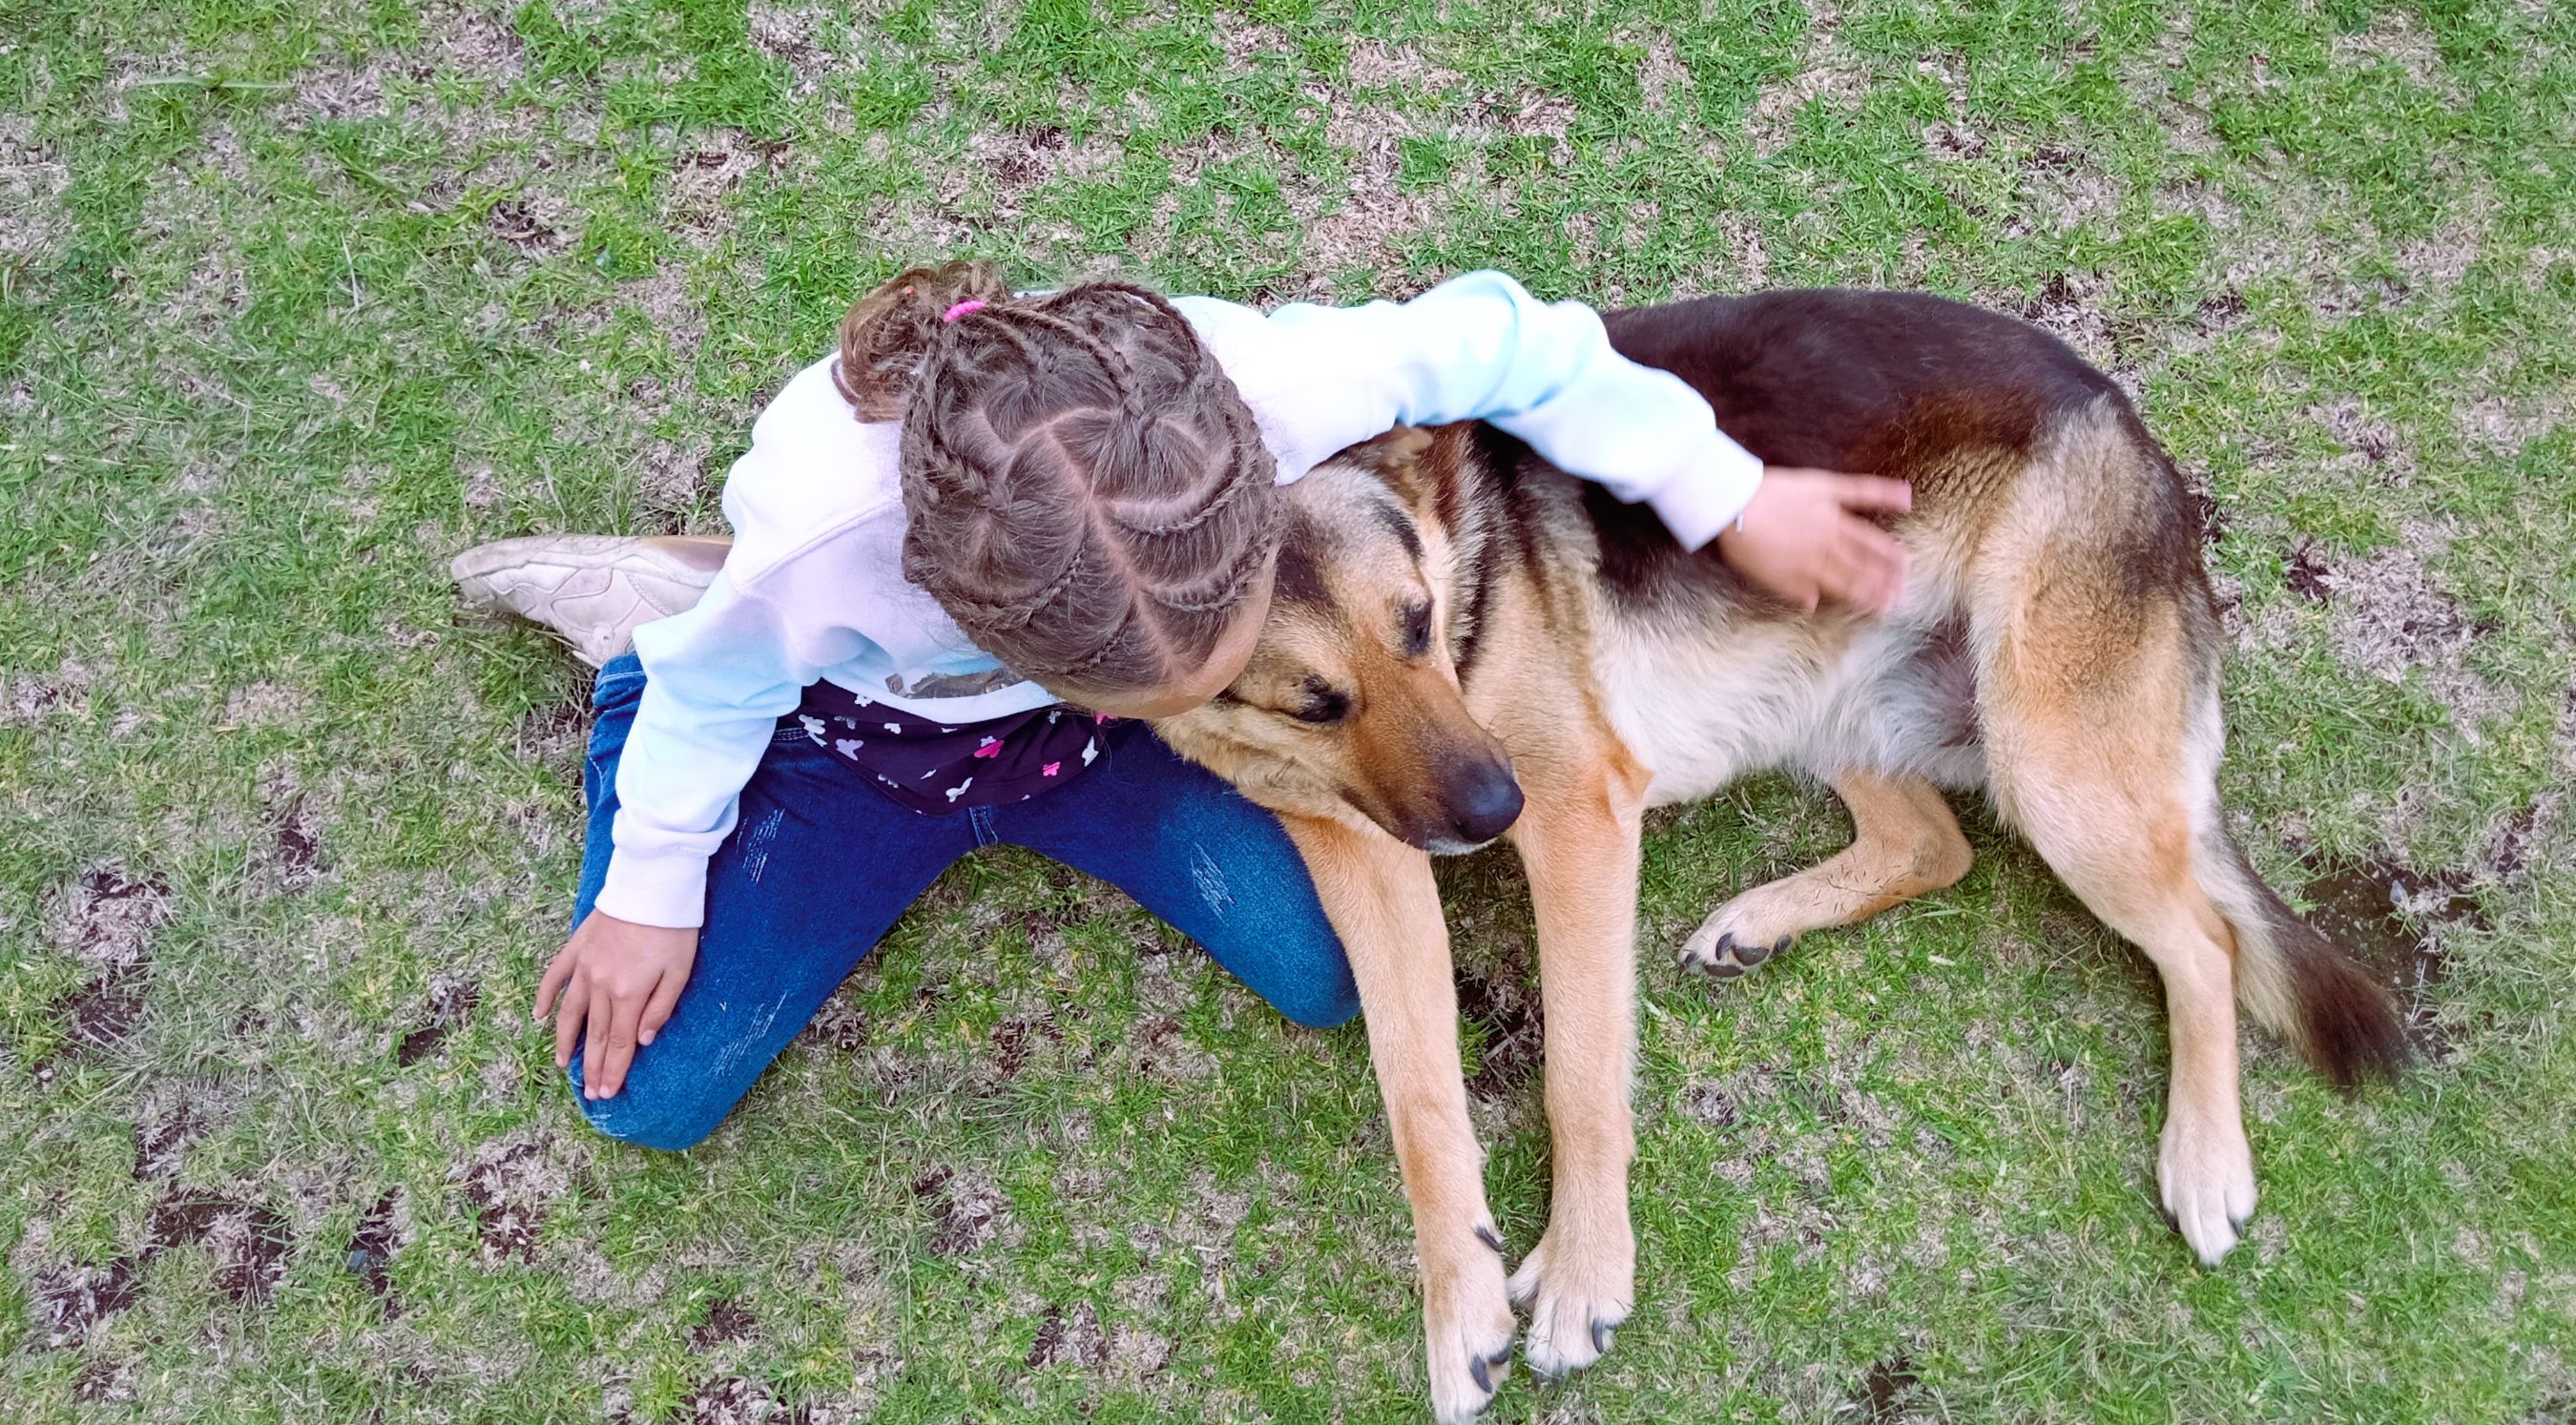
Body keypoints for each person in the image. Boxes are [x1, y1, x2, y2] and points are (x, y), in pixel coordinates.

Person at [455, 261, 1913, 1150]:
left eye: (1238, 672)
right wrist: (651, 881)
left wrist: (1728, 495)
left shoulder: (1265, 391)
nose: (1241, 706)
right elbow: (728, 686)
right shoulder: (819, 540)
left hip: (1080, 746)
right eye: (1224, 690)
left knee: (1322, 975)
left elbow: (1512, 335)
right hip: (861, 745)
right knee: (642, 1101)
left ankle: (1096, 736)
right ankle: (640, 614)